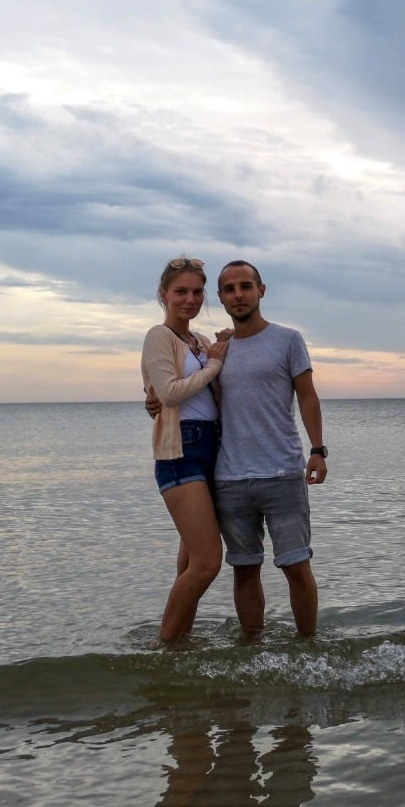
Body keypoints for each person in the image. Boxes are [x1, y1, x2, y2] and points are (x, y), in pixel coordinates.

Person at [211, 259, 328, 638]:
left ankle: (308, 647)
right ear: (221, 298)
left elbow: (308, 397)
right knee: (244, 570)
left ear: (261, 290)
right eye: (229, 289)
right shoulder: (218, 350)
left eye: (245, 286)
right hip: (230, 478)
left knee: (296, 567)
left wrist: (318, 450)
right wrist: (153, 400)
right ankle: (251, 650)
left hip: (282, 474)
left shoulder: (288, 339)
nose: (238, 294)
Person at [140, 256, 229, 641]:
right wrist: (213, 365)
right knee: (209, 562)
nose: (190, 300)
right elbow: (170, 393)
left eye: (196, 292)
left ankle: (180, 648)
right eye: (181, 292)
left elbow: (210, 393)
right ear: (163, 295)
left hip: (212, 448)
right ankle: (165, 647)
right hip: (180, 451)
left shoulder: (200, 342)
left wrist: (222, 347)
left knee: (192, 561)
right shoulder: (158, 337)